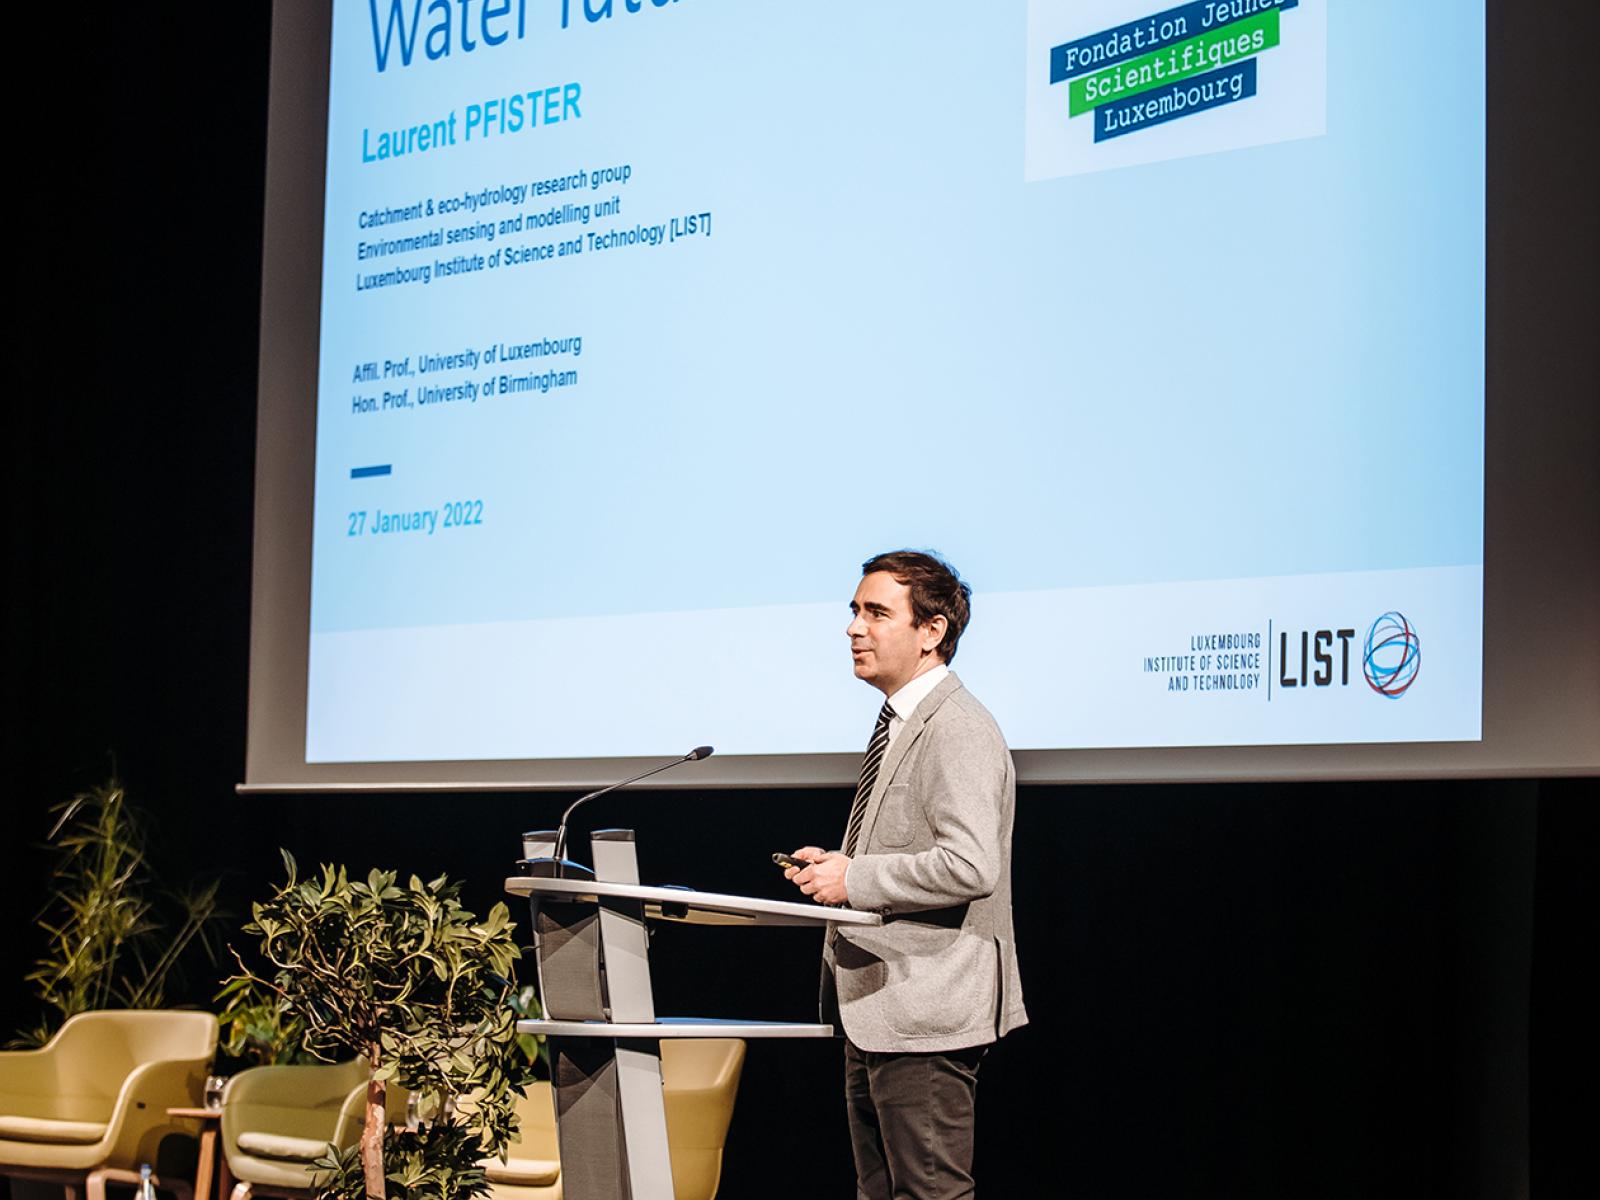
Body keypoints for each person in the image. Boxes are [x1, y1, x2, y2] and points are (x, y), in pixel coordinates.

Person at [785, 549, 1026, 1200]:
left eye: (876, 612)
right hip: (880, 1010)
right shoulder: (902, 721)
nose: (854, 627)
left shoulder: (958, 728)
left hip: (926, 1012)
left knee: (927, 1194)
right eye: (855, 611)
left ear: (931, 632)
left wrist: (855, 879)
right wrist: (835, 869)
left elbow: (971, 864)